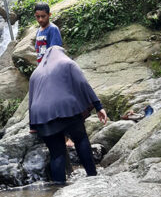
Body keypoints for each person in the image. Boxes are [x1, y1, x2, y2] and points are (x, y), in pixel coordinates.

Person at [28, 46, 108, 183]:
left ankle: (58, 187)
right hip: (67, 109)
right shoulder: (68, 63)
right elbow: (83, 84)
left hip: (42, 116)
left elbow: (31, 100)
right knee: (80, 139)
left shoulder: (35, 73)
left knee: (56, 153)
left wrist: (33, 125)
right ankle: (92, 177)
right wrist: (98, 106)